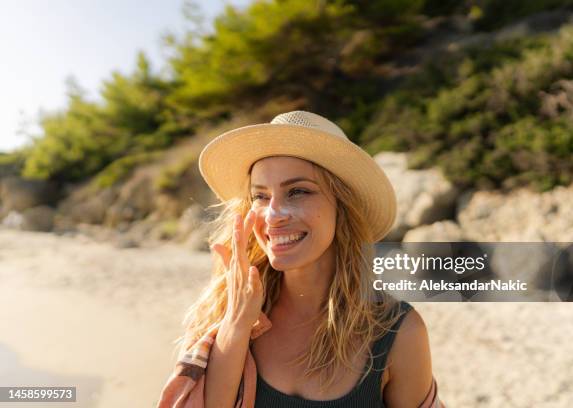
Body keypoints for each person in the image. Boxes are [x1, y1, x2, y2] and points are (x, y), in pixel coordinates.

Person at [158, 111, 443, 407]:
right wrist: (236, 325)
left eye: (298, 191)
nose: (273, 215)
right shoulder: (219, 314)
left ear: (342, 206)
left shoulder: (397, 331)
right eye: (261, 196)